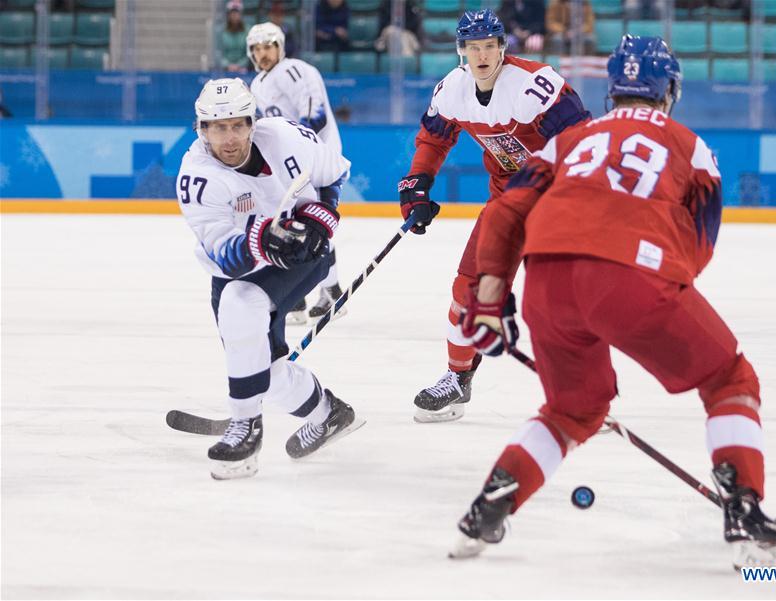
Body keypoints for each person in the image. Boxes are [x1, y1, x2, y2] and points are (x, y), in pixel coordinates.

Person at [449, 36, 776, 569]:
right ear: (670, 90)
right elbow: (698, 242)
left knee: (572, 409)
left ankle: (489, 506)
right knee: (730, 379)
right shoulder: (689, 143)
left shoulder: (569, 139)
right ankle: (743, 507)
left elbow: (504, 212)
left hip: (547, 280)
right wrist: (645, 301)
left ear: (612, 90)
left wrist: (490, 295)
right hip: (633, 277)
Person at [398, 9, 591, 423]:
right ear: (461, 51)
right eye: (473, 47)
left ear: (502, 48)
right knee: (466, 287)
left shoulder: (533, 85)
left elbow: (582, 138)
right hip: (508, 203)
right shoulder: (453, 88)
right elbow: (434, 138)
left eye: (489, 45)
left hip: (558, 203)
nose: (481, 54)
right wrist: (416, 183)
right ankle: (457, 377)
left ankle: (586, 392)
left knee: (567, 304)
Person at [176, 78, 359, 480]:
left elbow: (334, 174)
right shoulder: (197, 177)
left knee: (241, 305)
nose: (229, 137)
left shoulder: (286, 137)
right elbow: (226, 254)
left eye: (237, 125)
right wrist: (265, 238)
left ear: (252, 122)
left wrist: (319, 220)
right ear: (201, 129)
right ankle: (329, 413)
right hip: (237, 269)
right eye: (217, 127)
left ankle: (245, 427)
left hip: (300, 255)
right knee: (263, 368)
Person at [248, 21, 346, 324]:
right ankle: (316, 295)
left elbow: (314, 115)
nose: (264, 53)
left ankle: (322, 295)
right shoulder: (258, 84)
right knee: (293, 225)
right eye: (257, 48)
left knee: (310, 225)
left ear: (280, 47)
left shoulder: (295, 70)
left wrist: (297, 148)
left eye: (269, 46)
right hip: (290, 165)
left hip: (315, 160)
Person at [220, 1, 249, 72]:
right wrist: (227, 65)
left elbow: (249, 52)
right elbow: (218, 53)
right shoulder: (221, 31)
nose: (234, 15)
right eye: (232, 13)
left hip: (244, 69)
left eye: (237, 12)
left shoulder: (248, 30)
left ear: (241, 14)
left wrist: (239, 65)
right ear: (228, 15)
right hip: (225, 69)